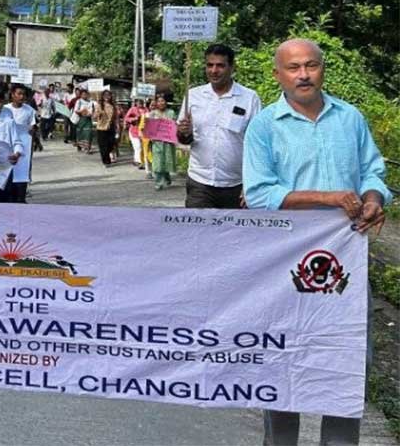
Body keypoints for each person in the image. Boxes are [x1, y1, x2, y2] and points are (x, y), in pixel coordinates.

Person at [243, 38, 392, 446]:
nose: (303, 75)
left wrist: (374, 199)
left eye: (311, 66)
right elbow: (258, 195)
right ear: (278, 75)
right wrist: (326, 198)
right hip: (285, 265)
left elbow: (373, 173)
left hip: (346, 262)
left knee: (344, 363)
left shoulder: (350, 119)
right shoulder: (264, 126)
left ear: (322, 69)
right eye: (293, 68)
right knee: (285, 363)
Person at [178, 44, 262, 209]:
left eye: (220, 65)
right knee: (197, 232)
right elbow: (183, 139)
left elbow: (258, 145)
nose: (214, 70)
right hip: (199, 183)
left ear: (232, 67)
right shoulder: (193, 96)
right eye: (210, 65)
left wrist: (251, 185)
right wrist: (184, 133)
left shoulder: (249, 98)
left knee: (233, 234)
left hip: (235, 185)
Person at [6, 84, 37, 202]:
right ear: (12, 94)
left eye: (23, 94)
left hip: (24, 146)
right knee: (10, 171)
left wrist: (32, 134)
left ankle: (21, 198)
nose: (21, 96)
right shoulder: (6, 109)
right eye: (19, 94)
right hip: (9, 146)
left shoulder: (29, 110)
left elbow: (32, 127)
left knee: (22, 172)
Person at [140, 95, 176, 189]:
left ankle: (167, 177)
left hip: (168, 141)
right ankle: (158, 182)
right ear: (156, 103)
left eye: (163, 101)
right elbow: (147, 126)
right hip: (157, 142)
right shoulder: (152, 114)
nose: (161, 103)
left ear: (166, 102)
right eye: (159, 101)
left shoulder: (171, 112)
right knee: (158, 161)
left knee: (166, 160)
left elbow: (174, 125)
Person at [93, 89, 117, 166]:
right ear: (103, 96)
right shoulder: (99, 105)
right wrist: (98, 113)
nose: (107, 97)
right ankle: (106, 160)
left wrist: (118, 126)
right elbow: (94, 116)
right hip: (101, 127)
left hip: (111, 127)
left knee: (111, 143)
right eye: (105, 95)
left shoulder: (113, 106)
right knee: (103, 145)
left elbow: (115, 117)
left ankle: (107, 156)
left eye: (108, 95)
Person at [124, 99, 147, 168]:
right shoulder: (132, 109)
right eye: (139, 102)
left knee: (142, 147)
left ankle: (137, 160)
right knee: (137, 146)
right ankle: (139, 162)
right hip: (134, 131)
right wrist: (134, 119)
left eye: (141, 102)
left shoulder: (146, 109)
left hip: (143, 131)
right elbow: (126, 118)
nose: (140, 104)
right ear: (136, 103)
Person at [73, 89, 95, 153]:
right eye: (83, 94)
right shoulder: (79, 101)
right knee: (80, 133)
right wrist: (82, 111)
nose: (84, 95)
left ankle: (88, 148)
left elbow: (91, 110)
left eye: (86, 94)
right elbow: (76, 110)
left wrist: (90, 113)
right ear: (81, 95)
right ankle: (80, 145)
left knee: (89, 133)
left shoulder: (90, 102)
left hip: (88, 119)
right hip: (81, 119)